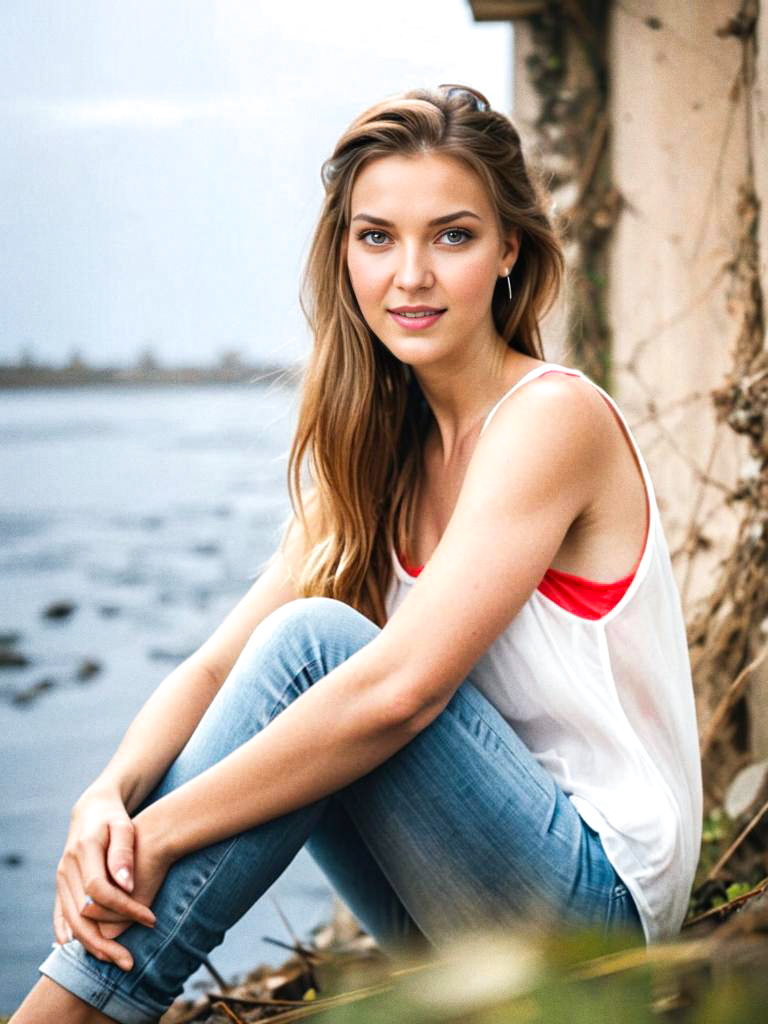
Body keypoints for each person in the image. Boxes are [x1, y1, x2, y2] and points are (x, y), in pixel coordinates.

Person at [11, 83, 703, 1024]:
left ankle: (67, 1014)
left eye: (451, 236)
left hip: (597, 914)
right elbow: (219, 664)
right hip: (458, 903)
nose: (409, 274)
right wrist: (107, 797)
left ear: (509, 250)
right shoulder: (381, 449)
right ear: (344, 255)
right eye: (377, 236)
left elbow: (400, 689)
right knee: (290, 657)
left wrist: (160, 833)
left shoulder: (552, 418)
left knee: (318, 652)